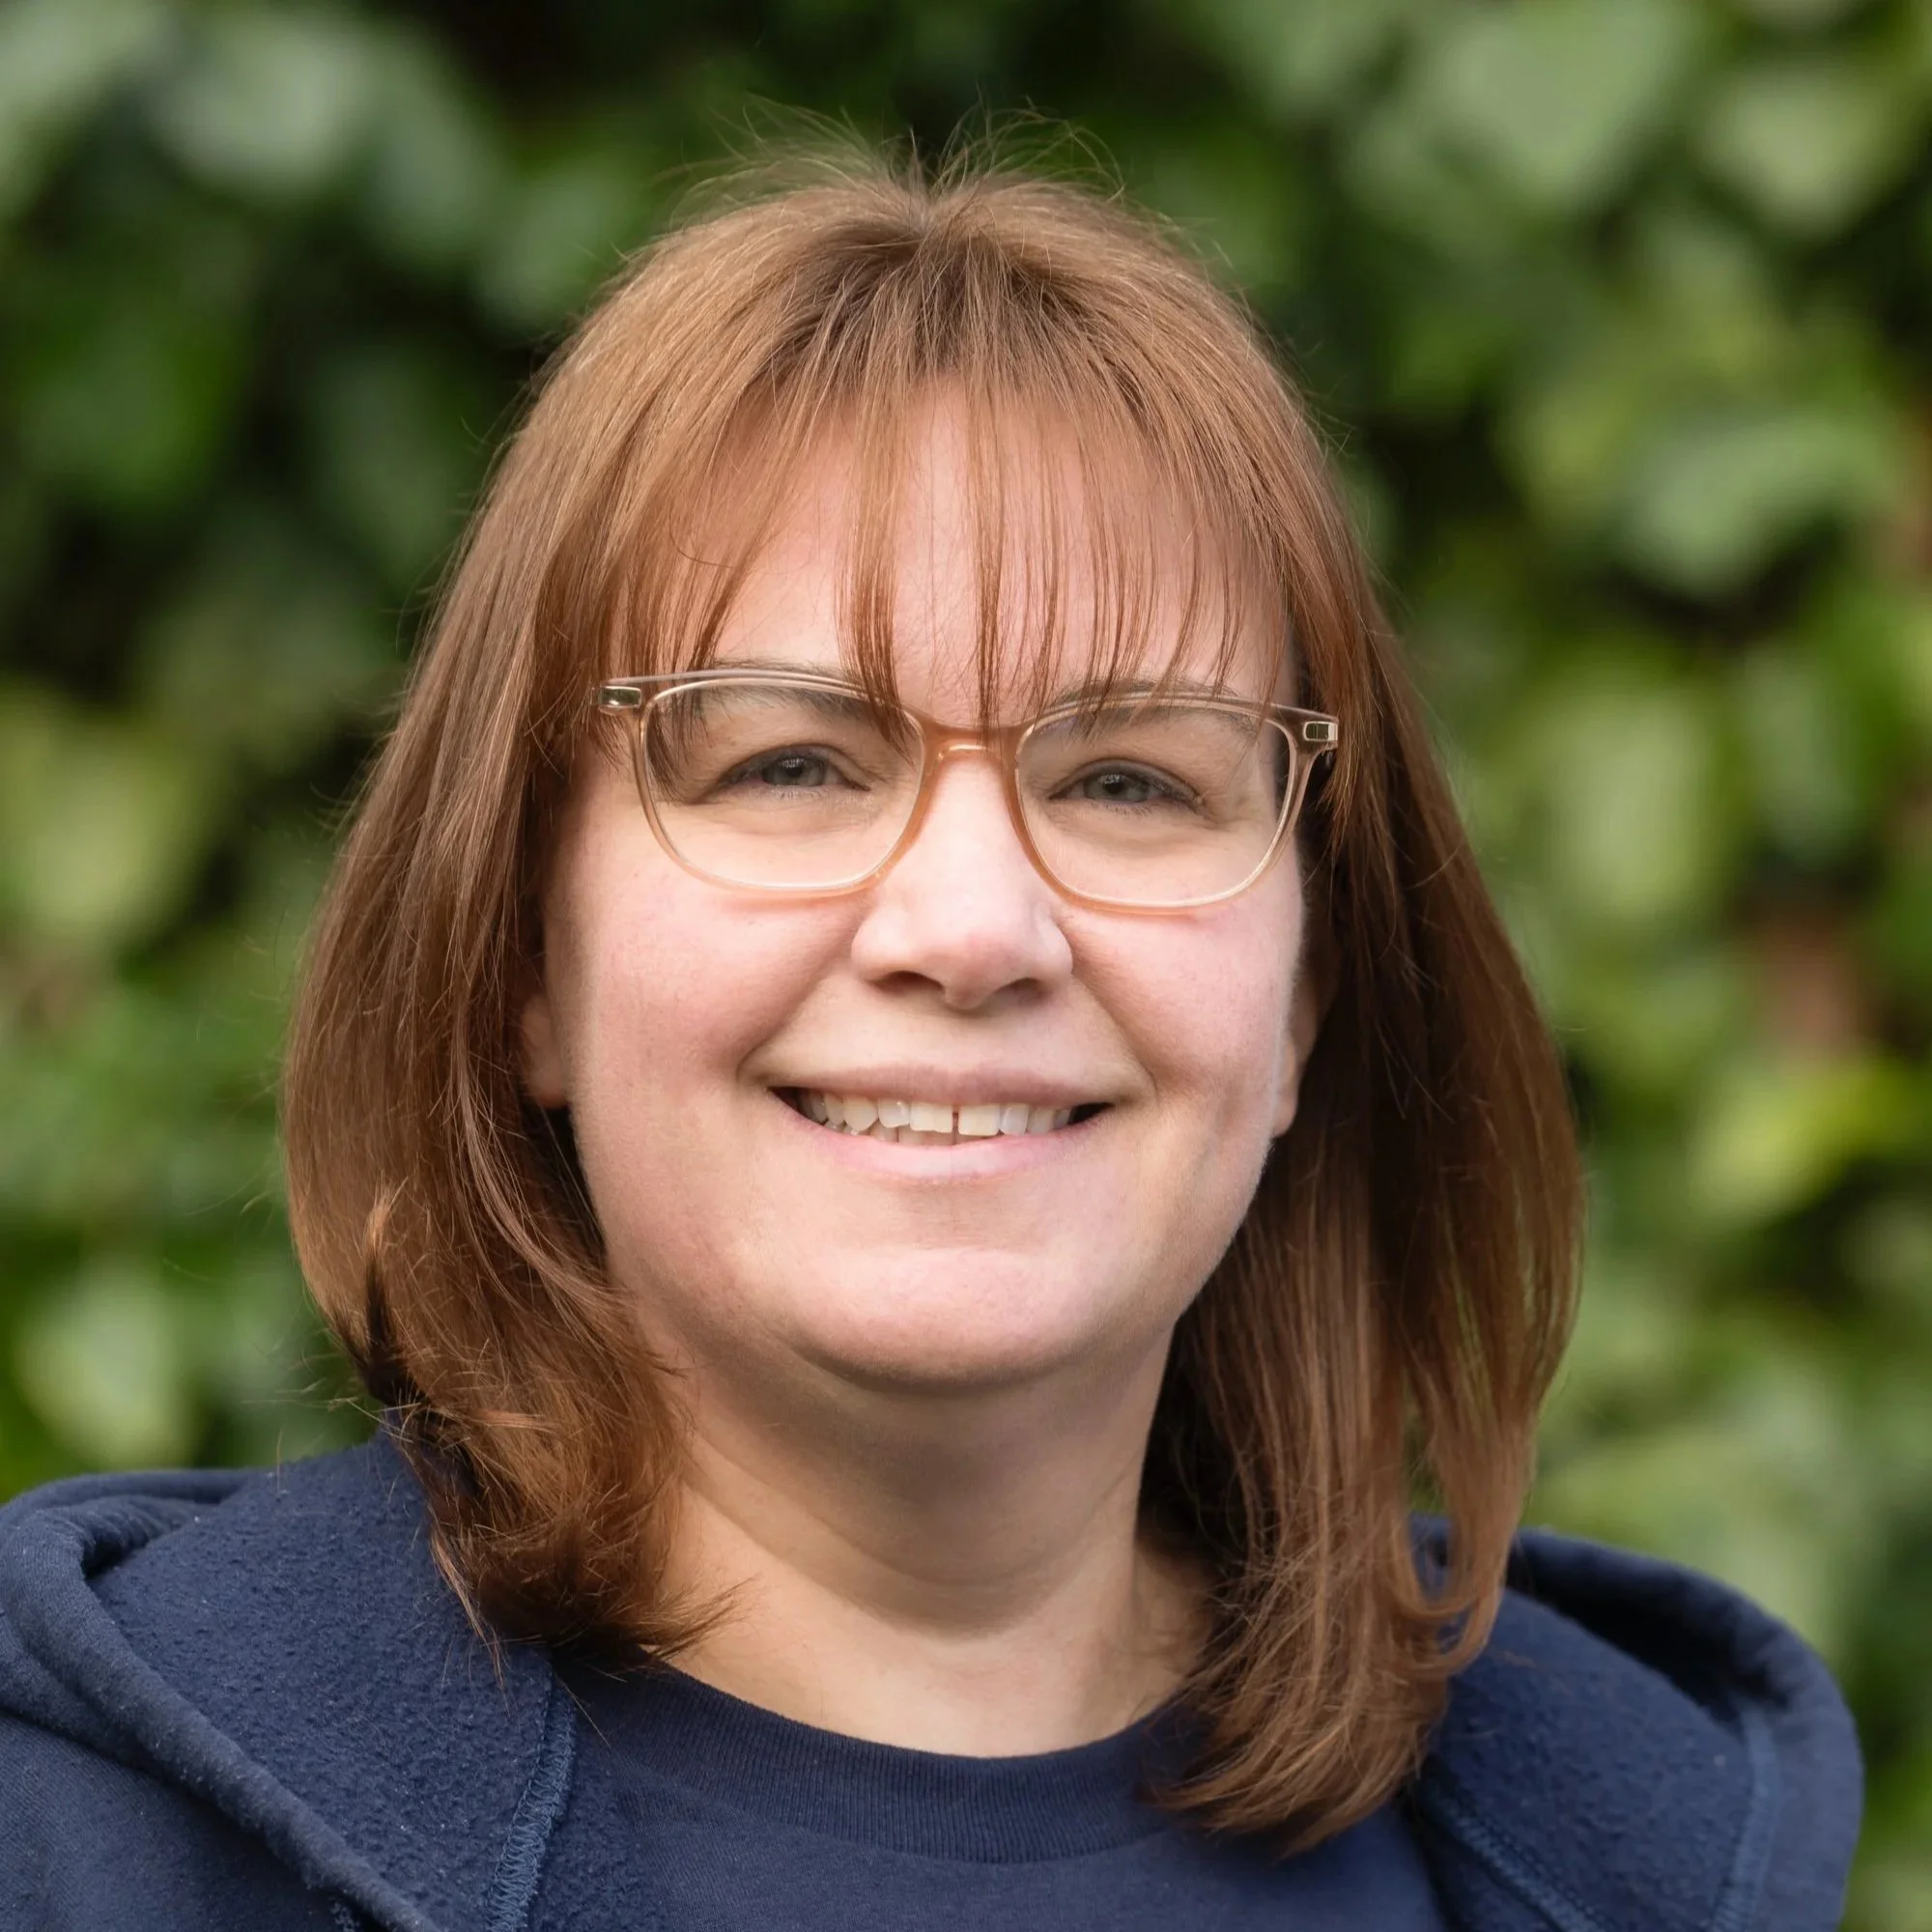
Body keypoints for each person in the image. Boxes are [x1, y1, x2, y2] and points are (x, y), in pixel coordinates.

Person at [0, 148, 1860, 1932]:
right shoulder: (87, 1857)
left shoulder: (1633, 1864)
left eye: (1131, 780)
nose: (972, 930)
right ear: (523, 963)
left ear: (1305, 997)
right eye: (792, 763)